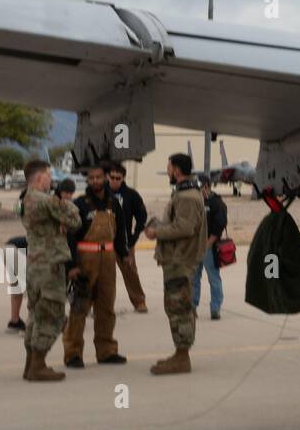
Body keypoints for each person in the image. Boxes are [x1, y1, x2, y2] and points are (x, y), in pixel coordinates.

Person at [144, 153, 205, 375]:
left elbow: (185, 228)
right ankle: (180, 354)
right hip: (176, 260)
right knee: (178, 307)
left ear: (177, 170)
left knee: (179, 308)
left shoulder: (187, 196)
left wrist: (156, 232)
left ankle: (182, 357)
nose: (167, 170)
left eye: (169, 167)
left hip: (180, 261)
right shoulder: (184, 193)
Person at [20, 159, 79, 381]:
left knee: (35, 315)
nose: (50, 179)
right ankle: (38, 365)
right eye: (48, 174)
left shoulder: (25, 199)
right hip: (50, 266)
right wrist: (67, 208)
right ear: (39, 177)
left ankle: (30, 364)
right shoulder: (46, 201)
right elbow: (75, 219)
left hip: (35, 265)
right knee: (52, 315)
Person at [63, 164, 128, 368]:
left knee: (106, 306)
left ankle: (107, 351)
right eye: (91, 178)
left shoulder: (114, 204)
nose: (95, 181)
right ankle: (73, 353)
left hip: (108, 258)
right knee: (80, 306)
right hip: (86, 258)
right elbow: (69, 237)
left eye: (99, 177)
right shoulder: (79, 204)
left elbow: (121, 231)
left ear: (106, 178)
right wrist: (71, 266)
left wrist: (124, 254)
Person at [108, 163, 148, 312]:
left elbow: (142, 216)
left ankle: (139, 301)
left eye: (118, 178)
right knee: (105, 275)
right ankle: (104, 305)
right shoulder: (101, 194)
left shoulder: (131, 195)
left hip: (125, 242)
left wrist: (134, 236)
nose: (114, 180)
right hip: (105, 242)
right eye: (112, 177)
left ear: (123, 178)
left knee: (130, 272)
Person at [193, 175, 226, 321]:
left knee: (213, 278)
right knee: (193, 278)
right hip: (194, 246)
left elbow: (220, 224)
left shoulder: (216, 202)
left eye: (198, 188)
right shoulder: (194, 202)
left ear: (206, 186)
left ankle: (215, 308)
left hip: (209, 248)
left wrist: (208, 243)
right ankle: (192, 307)